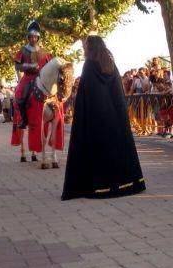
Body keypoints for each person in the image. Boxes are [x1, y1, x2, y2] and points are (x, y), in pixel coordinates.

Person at [61, 36, 145, 200]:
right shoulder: (111, 65)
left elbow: (86, 94)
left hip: (96, 118)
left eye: (85, 46)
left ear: (90, 48)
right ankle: (126, 184)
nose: (84, 49)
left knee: (99, 152)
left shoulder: (89, 65)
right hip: (115, 117)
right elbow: (117, 94)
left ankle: (102, 186)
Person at [13, 20, 52, 129]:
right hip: (28, 77)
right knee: (20, 97)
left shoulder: (45, 52)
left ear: (38, 38)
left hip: (41, 77)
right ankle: (24, 119)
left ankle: (55, 115)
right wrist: (29, 66)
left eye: (35, 37)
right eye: (31, 37)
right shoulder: (23, 50)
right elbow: (17, 66)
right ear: (28, 37)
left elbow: (51, 65)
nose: (33, 39)